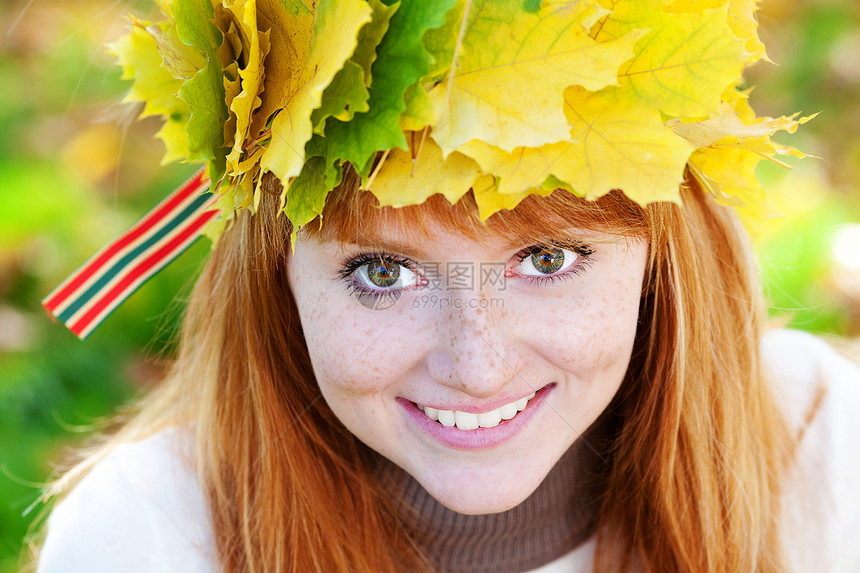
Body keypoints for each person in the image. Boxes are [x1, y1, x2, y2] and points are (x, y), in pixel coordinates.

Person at [34, 1, 860, 572]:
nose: (477, 365)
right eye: (382, 272)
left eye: (547, 259)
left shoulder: (822, 454)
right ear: (276, 278)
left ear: (658, 262)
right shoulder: (147, 537)